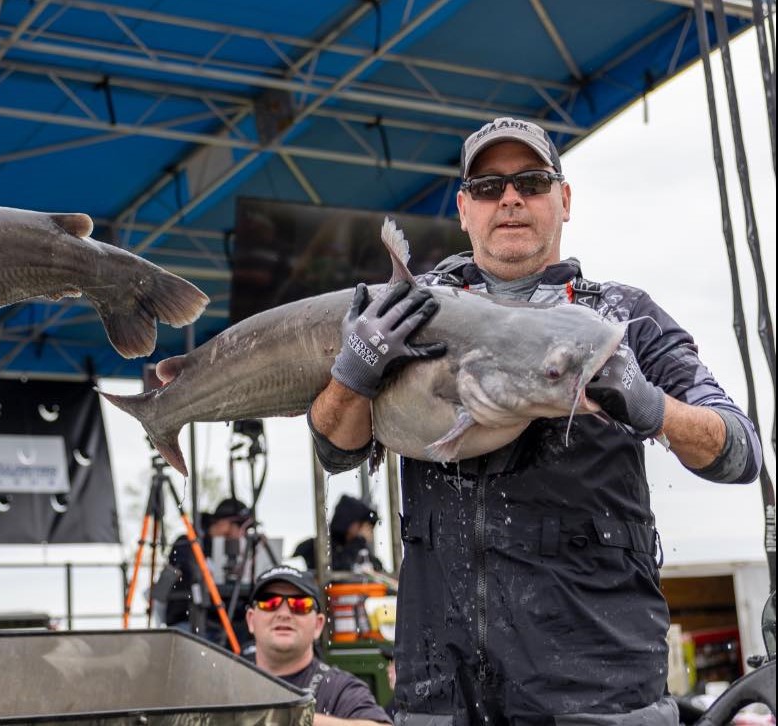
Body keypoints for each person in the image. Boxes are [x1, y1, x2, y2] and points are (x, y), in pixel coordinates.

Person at [307, 116, 762, 722]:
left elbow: (739, 454)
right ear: (465, 209)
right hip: (442, 689)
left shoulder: (623, 319)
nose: (512, 198)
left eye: (532, 181)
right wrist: (353, 373)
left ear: (564, 200)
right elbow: (336, 452)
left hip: (597, 689)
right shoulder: (407, 311)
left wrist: (653, 407)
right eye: (490, 188)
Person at [245, 566, 391, 725]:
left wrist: (294, 720)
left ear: (318, 625)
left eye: (300, 604)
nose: (284, 614)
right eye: (270, 603)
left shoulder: (339, 689)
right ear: (251, 620)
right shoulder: (227, 683)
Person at [156, 497, 252, 643]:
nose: (241, 532)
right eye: (238, 526)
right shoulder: (188, 543)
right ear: (222, 522)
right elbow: (181, 569)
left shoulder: (241, 549)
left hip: (224, 623)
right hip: (189, 620)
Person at [294, 494, 384, 573]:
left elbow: (379, 571)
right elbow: (337, 568)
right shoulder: (314, 546)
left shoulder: (358, 548)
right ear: (349, 522)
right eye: (361, 524)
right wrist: (359, 540)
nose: (366, 531)